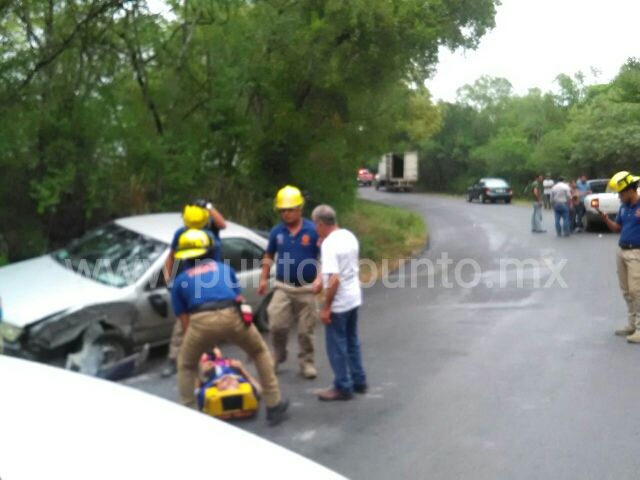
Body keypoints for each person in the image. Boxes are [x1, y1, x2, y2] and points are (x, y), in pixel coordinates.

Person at [170, 228, 289, 425]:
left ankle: (189, 416)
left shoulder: (180, 280)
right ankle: (273, 405)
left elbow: (185, 322)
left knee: (186, 365)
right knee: (259, 352)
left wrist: (201, 344)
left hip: (200, 320)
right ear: (210, 250)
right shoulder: (224, 269)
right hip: (231, 315)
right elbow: (239, 301)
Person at [257, 186, 322, 380]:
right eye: (283, 210)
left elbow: (324, 256)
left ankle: (307, 362)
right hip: (283, 286)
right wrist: (263, 279)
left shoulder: (312, 230)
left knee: (306, 330)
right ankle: (278, 356)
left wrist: (319, 279)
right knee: (276, 324)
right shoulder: (277, 231)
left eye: (290, 209)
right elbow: (269, 255)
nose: (286, 214)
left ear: (300, 209)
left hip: (306, 288)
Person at [161, 199, 227, 378]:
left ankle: (211, 357)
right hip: (191, 284)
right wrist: (169, 279)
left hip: (211, 282)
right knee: (182, 327)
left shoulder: (211, 231)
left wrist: (208, 206)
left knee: (209, 323)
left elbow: (222, 224)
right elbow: (171, 256)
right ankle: (174, 359)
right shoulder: (182, 234)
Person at [312, 205, 367, 401]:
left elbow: (334, 278)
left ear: (320, 223)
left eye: (315, 225)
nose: (314, 229)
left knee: (336, 345)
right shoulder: (348, 236)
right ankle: (359, 380)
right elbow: (345, 265)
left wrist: (327, 308)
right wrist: (320, 280)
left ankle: (343, 386)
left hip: (340, 302)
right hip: (354, 297)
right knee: (352, 340)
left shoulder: (329, 245)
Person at [599, 171, 640, 343]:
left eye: (621, 193)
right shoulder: (623, 207)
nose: (618, 196)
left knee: (636, 291)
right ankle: (631, 324)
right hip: (622, 251)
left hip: (636, 252)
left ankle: (639, 327)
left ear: (631, 190)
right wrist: (607, 220)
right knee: (626, 291)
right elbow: (618, 228)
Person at [197, 346, 262, 396]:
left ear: (218, 390)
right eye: (233, 384)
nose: (229, 381)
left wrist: (201, 371)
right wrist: (242, 369)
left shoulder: (210, 386)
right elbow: (259, 389)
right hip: (225, 362)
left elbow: (195, 392)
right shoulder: (240, 380)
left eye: (225, 386)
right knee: (217, 352)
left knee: (204, 355)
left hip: (208, 364)